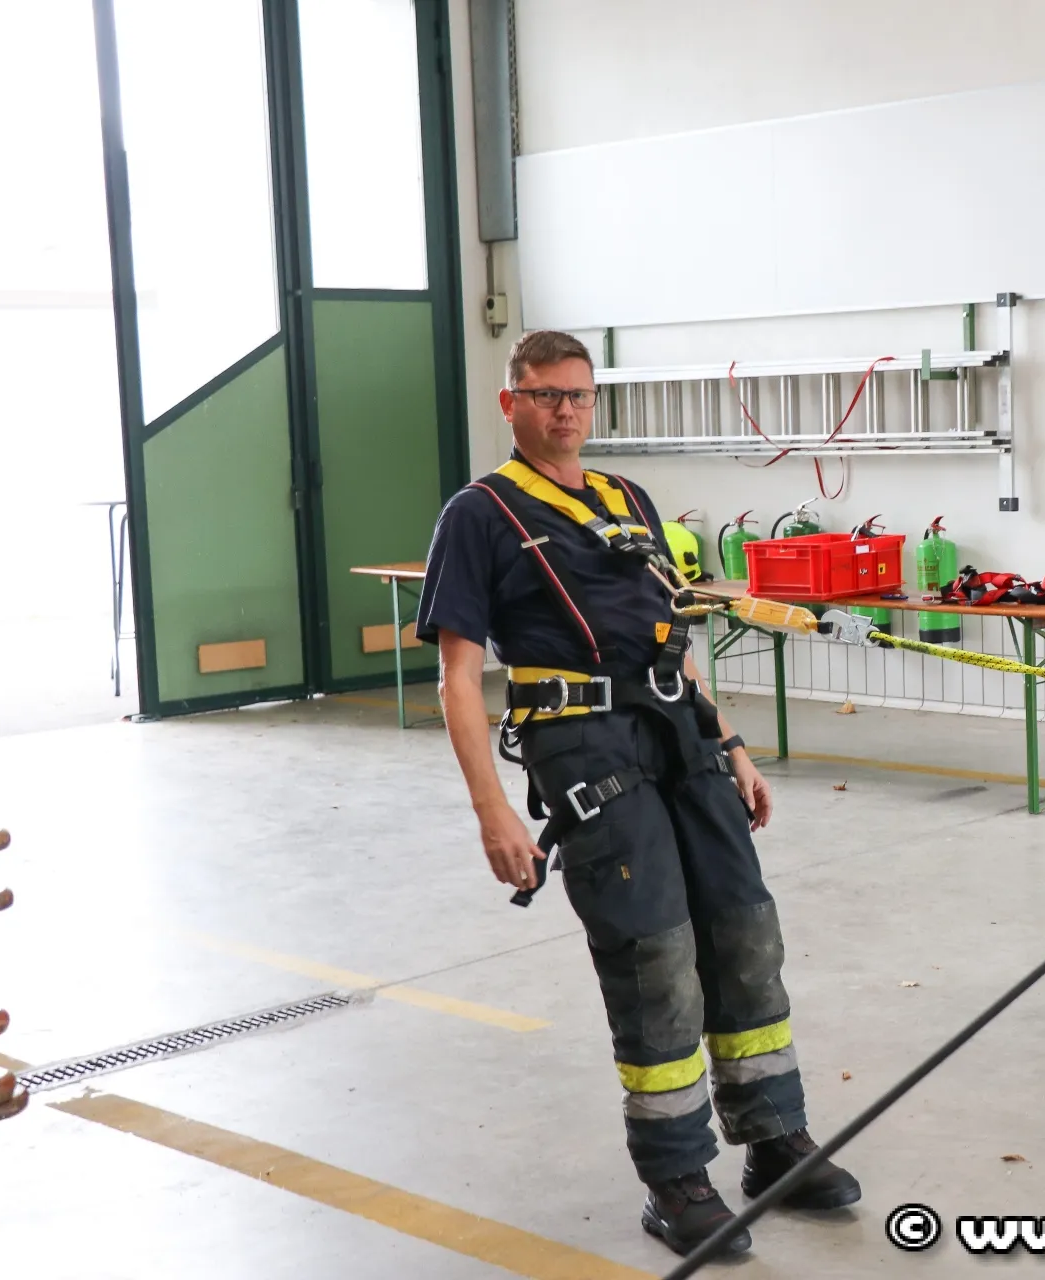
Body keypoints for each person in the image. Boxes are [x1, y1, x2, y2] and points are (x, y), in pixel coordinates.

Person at [416, 330, 859, 1258]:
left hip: (678, 735)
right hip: (584, 747)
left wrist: (730, 743)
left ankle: (775, 1139)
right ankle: (676, 1178)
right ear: (510, 403)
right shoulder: (480, 514)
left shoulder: (627, 499)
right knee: (652, 950)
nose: (565, 410)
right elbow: (458, 677)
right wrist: (494, 811)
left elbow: (675, 635)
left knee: (743, 928)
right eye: (545, 394)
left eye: (578, 394)